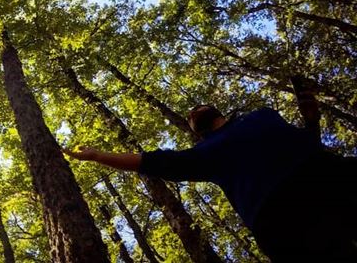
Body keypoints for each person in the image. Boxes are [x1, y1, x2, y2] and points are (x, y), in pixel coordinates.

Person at [64, 102, 357, 262]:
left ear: (216, 110)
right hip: (280, 219)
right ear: (197, 134)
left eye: (195, 109)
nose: (191, 112)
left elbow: (306, 143)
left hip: (329, 178)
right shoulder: (205, 153)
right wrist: (98, 155)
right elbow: (154, 162)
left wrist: (312, 119)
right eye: (189, 117)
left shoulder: (262, 115)